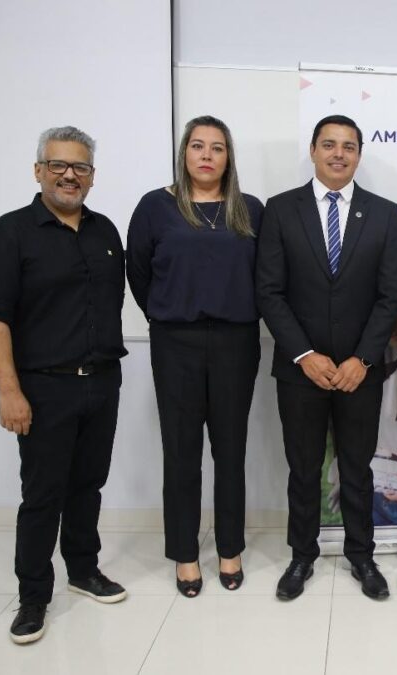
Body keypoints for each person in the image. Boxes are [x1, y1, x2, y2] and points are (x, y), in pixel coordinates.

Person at [0, 126, 127, 644]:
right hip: (43, 388)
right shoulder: (10, 233)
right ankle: (34, 595)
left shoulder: (106, 231)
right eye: (59, 165)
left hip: (103, 382)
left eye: (80, 167)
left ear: (91, 176)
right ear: (39, 171)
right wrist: (8, 390)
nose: (69, 175)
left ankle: (83, 570)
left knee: (89, 485)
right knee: (43, 495)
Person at [257, 114, 397, 601]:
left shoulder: (383, 214)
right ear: (315, 151)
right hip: (301, 371)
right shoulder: (280, 210)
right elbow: (270, 291)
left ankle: (362, 556)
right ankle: (302, 555)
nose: (339, 153)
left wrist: (363, 358)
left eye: (348, 146)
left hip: (359, 372)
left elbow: (390, 296)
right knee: (303, 469)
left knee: (357, 469)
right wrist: (304, 354)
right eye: (329, 144)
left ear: (359, 154)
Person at [127, 115, 263, 597]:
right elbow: (139, 274)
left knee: (230, 452)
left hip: (236, 342)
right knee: (182, 454)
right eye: (198, 146)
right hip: (176, 342)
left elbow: (264, 278)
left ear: (229, 157)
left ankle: (230, 549)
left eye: (217, 148)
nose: (207, 155)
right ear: (184, 153)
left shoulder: (250, 209)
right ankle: (185, 554)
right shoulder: (155, 207)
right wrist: (169, 315)